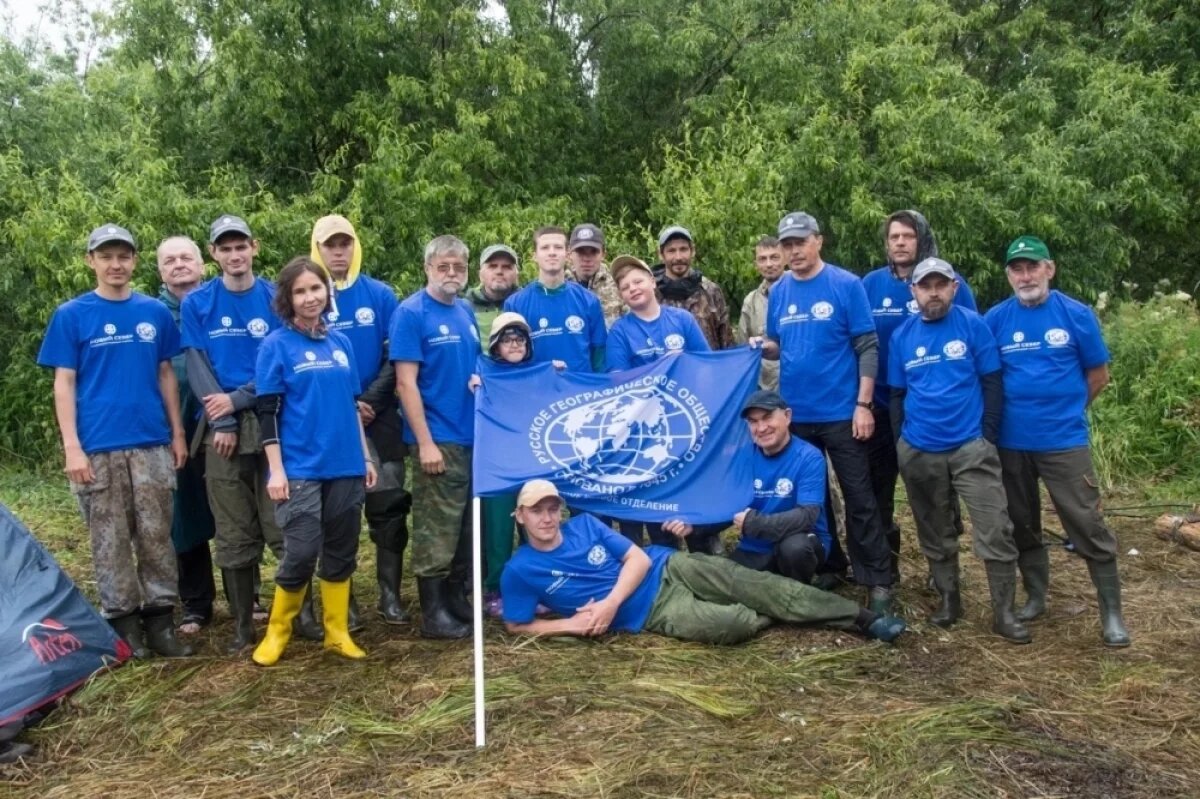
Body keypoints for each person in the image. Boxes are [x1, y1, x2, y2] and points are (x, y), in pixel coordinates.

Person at [37, 223, 193, 658]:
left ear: (135, 261)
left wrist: (177, 433)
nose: (116, 264)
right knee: (109, 540)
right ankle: (125, 627)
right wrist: (72, 445)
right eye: (106, 256)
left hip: (151, 443)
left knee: (157, 535)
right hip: (97, 446)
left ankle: (161, 621)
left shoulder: (154, 313)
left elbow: (166, 375)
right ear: (92, 261)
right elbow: (63, 382)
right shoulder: (72, 315)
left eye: (123, 256)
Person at [500, 480, 906, 645]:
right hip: (651, 610)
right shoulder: (519, 571)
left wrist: (607, 605)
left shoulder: (585, 525)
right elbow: (515, 623)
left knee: (753, 584)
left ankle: (860, 618)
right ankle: (786, 606)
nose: (547, 518)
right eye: (537, 511)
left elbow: (638, 558)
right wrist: (568, 624)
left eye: (553, 508)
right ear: (519, 516)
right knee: (735, 624)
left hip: (666, 566)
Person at [985, 236, 1130, 646]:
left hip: (1063, 441)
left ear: (1049, 269)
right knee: (1022, 522)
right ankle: (1035, 597)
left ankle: (1112, 614)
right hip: (1011, 444)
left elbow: (1098, 376)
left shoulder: (1076, 314)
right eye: (1017, 268)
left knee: (1085, 522)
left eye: (1033, 267)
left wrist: (1067, 410)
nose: (1025, 275)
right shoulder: (996, 319)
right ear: (1009, 275)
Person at [756, 211, 893, 613]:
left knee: (859, 497)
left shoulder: (845, 285)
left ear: (818, 241)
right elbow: (780, 345)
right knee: (812, 500)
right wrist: (760, 347)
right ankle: (833, 563)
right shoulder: (779, 291)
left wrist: (863, 405)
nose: (793, 250)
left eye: (800, 242)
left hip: (841, 412)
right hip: (797, 416)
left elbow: (867, 346)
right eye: (786, 244)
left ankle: (877, 579)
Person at [889, 257, 1029, 643]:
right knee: (934, 528)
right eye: (925, 286)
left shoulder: (973, 325)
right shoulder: (902, 336)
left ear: (953, 288)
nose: (933, 292)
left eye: (940, 285)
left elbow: (992, 383)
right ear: (913, 291)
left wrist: (986, 436)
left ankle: (1004, 612)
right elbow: (898, 395)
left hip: (971, 446)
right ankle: (950, 601)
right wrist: (903, 442)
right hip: (920, 448)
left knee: (995, 528)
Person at [250, 257, 378, 666]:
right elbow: (266, 411)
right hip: (300, 468)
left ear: (328, 292)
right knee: (302, 551)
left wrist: (365, 455)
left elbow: (351, 405)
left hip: (346, 465)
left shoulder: (340, 344)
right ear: (287, 298)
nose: (310, 297)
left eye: (316, 289)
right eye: (300, 291)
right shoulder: (275, 345)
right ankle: (278, 631)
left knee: (341, 549)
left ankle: (336, 632)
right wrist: (276, 468)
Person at [181, 215, 285, 653]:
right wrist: (222, 419)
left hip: (271, 417)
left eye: (241, 245)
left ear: (254, 248)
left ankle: (298, 615)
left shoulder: (275, 297)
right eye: (225, 248)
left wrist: (239, 400)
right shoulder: (198, 303)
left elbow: (283, 361)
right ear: (213, 254)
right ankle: (243, 623)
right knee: (232, 526)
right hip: (220, 426)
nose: (234, 254)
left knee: (281, 522)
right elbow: (197, 365)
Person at [862, 210, 977, 581]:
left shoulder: (945, 283)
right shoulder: (870, 285)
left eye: (907, 236)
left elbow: (971, 341)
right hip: (881, 407)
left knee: (937, 495)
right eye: (893, 236)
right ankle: (886, 572)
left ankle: (941, 572)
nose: (899, 242)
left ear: (921, 239)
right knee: (879, 495)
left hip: (937, 411)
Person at [310, 214, 409, 626]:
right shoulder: (308, 295)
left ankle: (389, 595)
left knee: (388, 509)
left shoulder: (381, 295)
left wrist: (369, 399)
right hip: (330, 425)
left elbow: (396, 354)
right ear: (317, 248)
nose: (338, 251)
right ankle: (343, 602)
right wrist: (347, 405)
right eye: (330, 244)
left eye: (344, 243)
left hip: (381, 417)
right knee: (338, 515)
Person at [390, 235, 480, 638]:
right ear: (427, 268)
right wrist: (424, 442)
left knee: (462, 526)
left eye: (458, 267)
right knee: (435, 528)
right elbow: (406, 384)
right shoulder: (411, 313)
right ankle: (433, 614)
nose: (451, 274)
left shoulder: (466, 311)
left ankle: (454, 598)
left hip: (471, 435)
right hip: (437, 437)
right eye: (443, 266)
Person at [603, 254, 722, 553]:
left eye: (638, 281)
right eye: (625, 285)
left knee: (691, 489)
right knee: (657, 498)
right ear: (621, 294)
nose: (633, 288)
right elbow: (619, 380)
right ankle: (663, 558)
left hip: (685, 422)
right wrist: (660, 371)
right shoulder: (620, 331)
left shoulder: (681, 319)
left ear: (652, 282)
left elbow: (705, 364)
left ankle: (704, 549)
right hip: (645, 428)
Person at [468, 312, 563, 617]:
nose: (514, 344)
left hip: (530, 462)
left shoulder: (538, 371)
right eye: (507, 339)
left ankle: (538, 585)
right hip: (496, 465)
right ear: (495, 345)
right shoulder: (483, 369)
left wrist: (558, 375)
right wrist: (475, 385)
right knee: (497, 531)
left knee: (536, 524)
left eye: (520, 339)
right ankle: (495, 588)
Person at [155, 235, 217, 634]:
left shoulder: (220, 301)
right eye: (169, 260)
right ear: (160, 270)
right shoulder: (153, 314)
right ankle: (196, 603)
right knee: (185, 517)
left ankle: (252, 596)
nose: (179, 265)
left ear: (203, 264)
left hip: (222, 424)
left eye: (186, 258)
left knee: (236, 514)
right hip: (173, 428)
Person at [729, 391, 832, 585]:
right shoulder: (743, 457)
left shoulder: (809, 457)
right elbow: (727, 503)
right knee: (727, 584)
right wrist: (695, 521)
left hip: (800, 540)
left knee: (795, 549)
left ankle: (800, 592)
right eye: (753, 421)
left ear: (787, 416)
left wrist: (755, 524)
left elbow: (807, 516)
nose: (761, 428)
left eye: (767, 417)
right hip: (755, 546)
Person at [503, 226, 607, 372]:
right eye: (545, 247)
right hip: (537, 390)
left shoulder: (589, 300)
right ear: (534, 255)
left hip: (580, 390)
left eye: (558, 247)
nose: (552, 253)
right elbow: (508, 358)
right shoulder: (515, 304)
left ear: (567, 254)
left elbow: (599, 356)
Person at [652, 226, 734, 350]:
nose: (678, 257)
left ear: (693, 251)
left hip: (707, 367)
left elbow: (727, 343)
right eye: (671, 251)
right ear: (661, 254)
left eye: (683, 249)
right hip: (667, 368)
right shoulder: (651, 294)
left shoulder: (710, 291)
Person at [736, 236, 784, 390]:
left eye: (774, 257)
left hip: (799, 384)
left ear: (786, 259)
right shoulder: (751, 301)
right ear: (756, 264)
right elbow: (743, 348)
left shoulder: (800, 292)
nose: (769, 264)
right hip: (765, 389)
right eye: (762, 259)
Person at [567, 223, 622, 328]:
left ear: (603, 254)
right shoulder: (559, 286)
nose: (587, 258)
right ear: (570, 254)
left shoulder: (619, 283)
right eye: (580, 252)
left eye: (593, 252)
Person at [465, 243, 520, 336]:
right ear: (480, 274)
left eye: (507, 267)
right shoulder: (465, 307)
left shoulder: (526, 304)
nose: (499, 271)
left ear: (516, 274)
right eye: (493, 266)